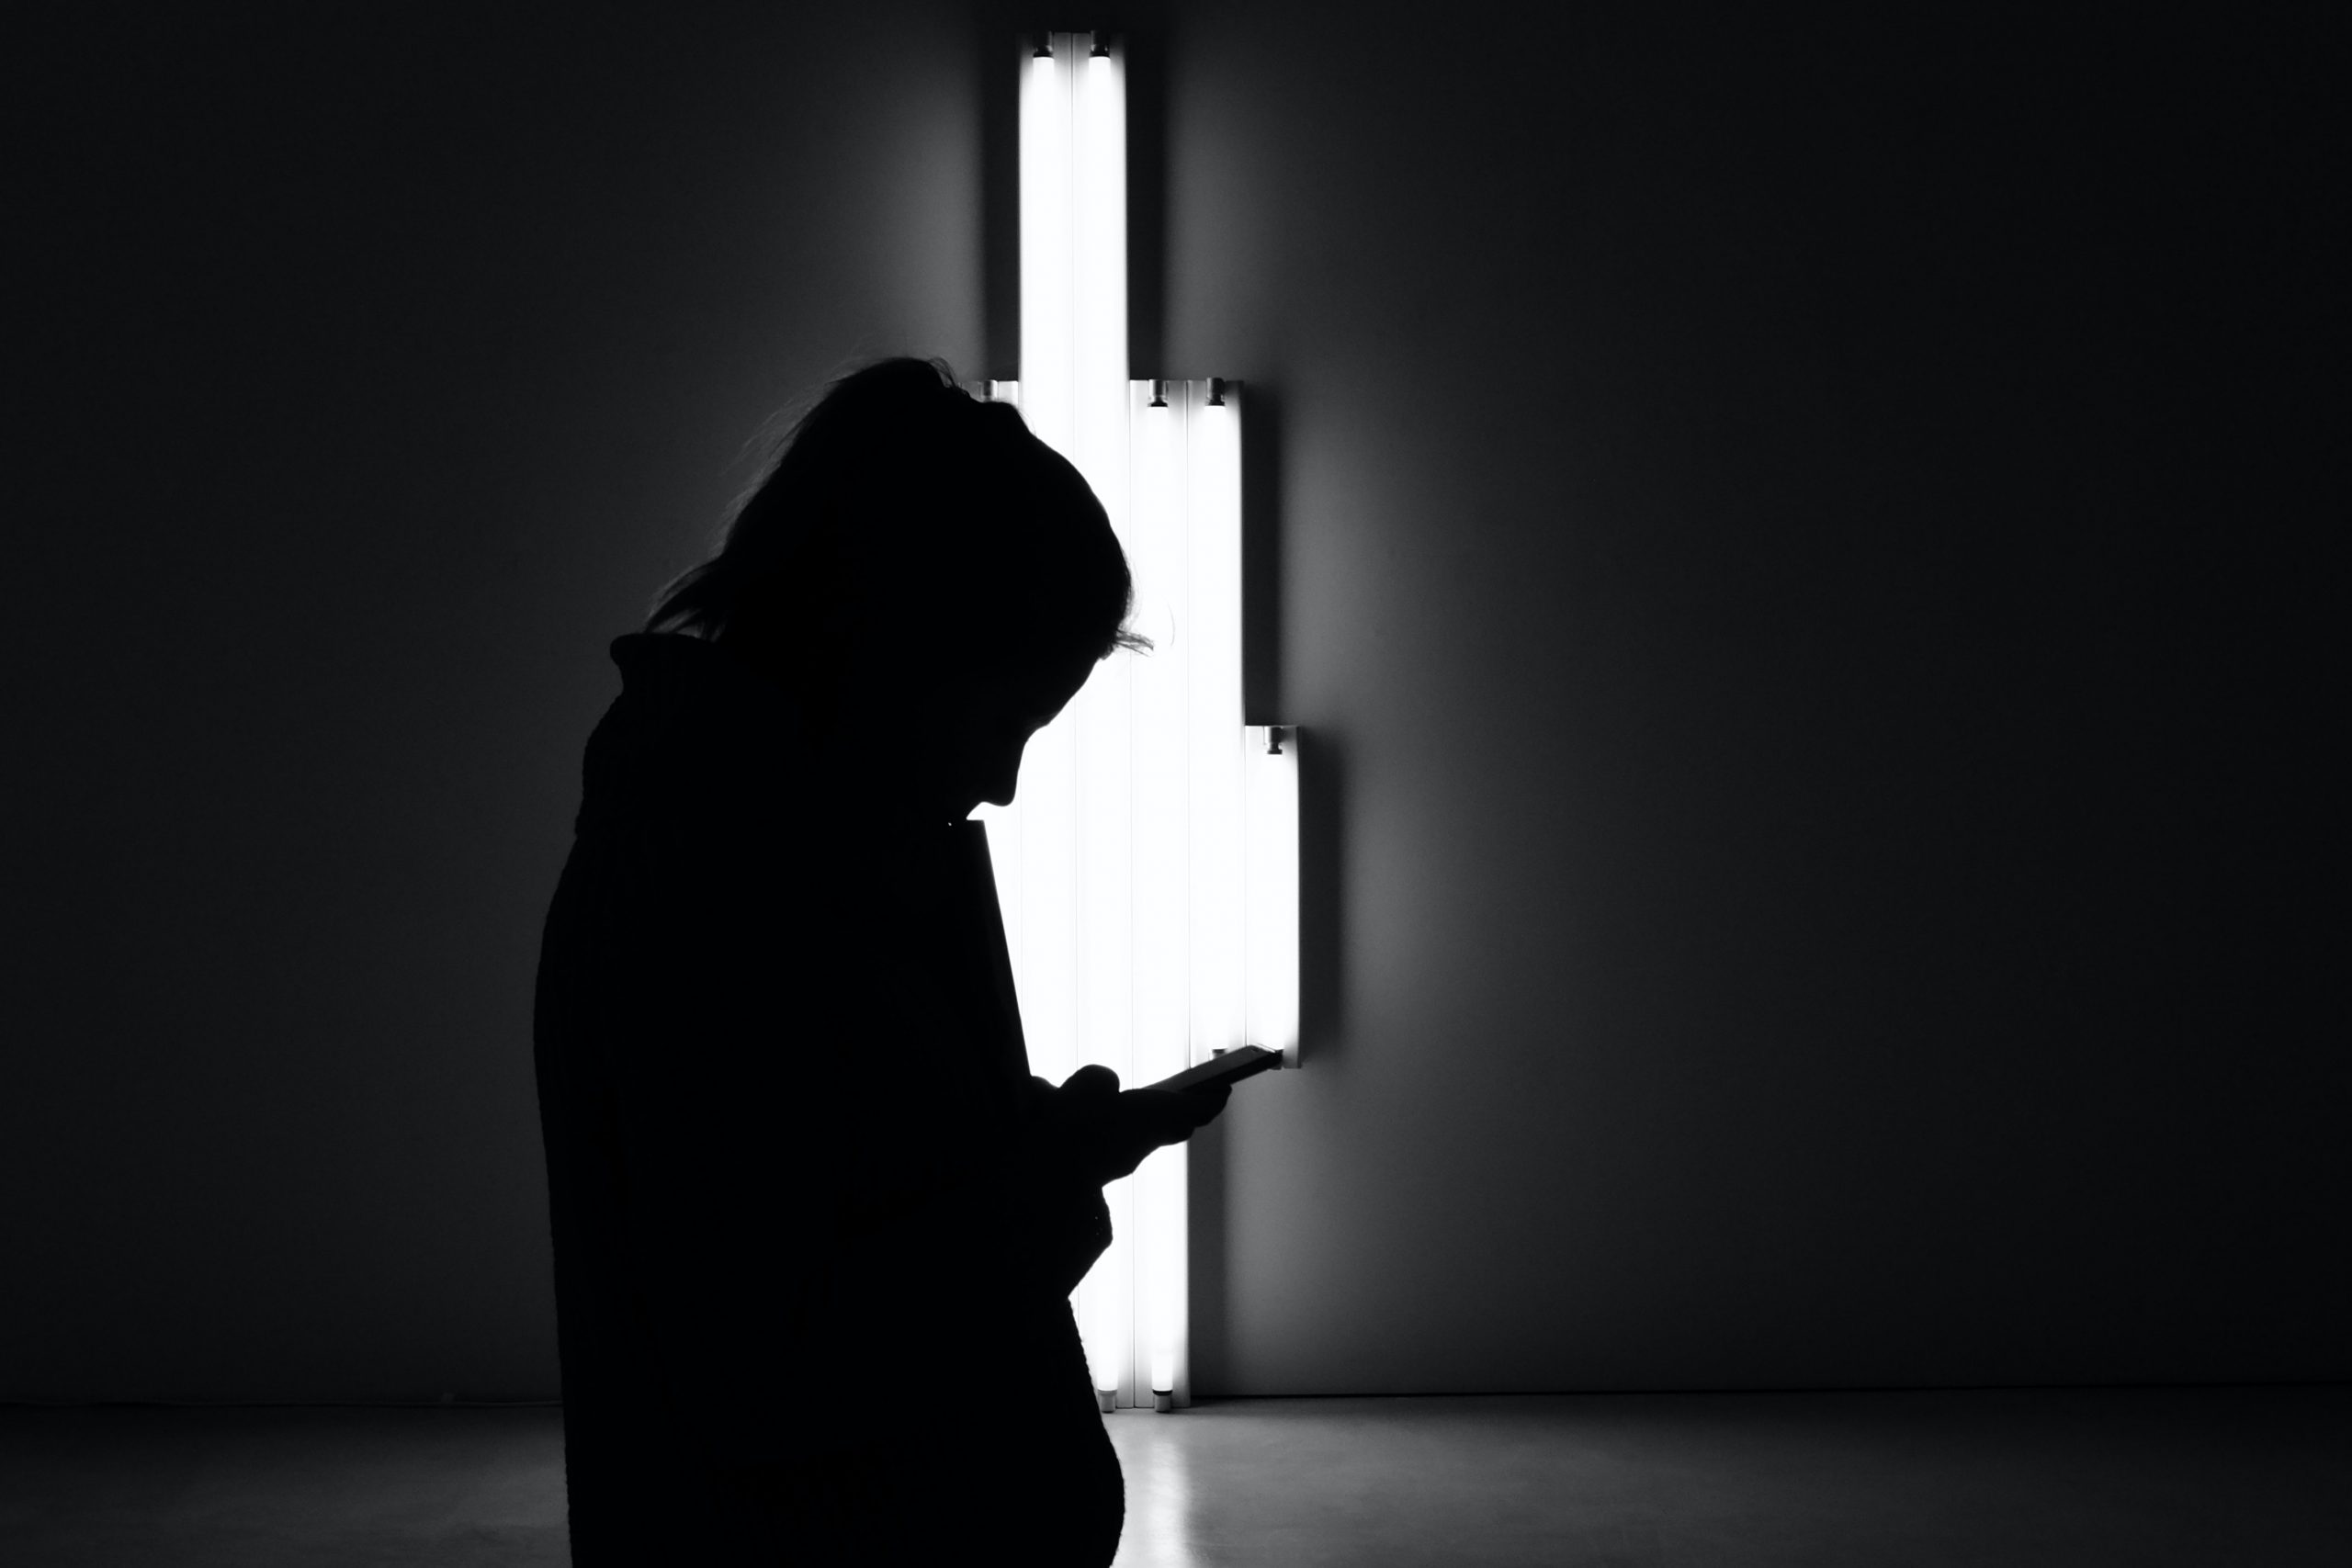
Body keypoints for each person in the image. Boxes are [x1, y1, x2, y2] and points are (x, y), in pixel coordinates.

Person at [532, 357, 1229, 1566]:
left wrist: (1035, 1149)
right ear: (890, 641)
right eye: (1006, 716)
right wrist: (1048, 1183)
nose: (1003, 782)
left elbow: (834, 1177)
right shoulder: (717, 890)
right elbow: (776, 1370)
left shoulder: (770, 858)